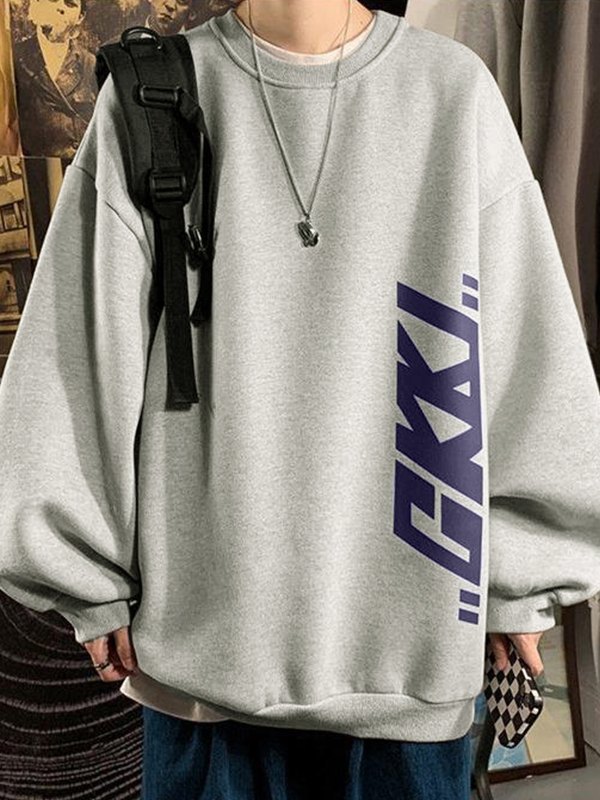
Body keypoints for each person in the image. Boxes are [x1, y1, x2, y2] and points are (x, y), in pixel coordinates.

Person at [1, 0, 600, 797]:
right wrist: (83, 574)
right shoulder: (152, 94)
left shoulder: (451, 93)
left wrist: (520, 585)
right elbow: (75, 354)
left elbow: (530, 353)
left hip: (409, 673)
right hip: (206, 677)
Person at [12, 0, 96, 158]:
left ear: (80, 16)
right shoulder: (14, 57)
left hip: (76, 165)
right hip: (34, 165)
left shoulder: (89, 63)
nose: (60, 8)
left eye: (70, 4)